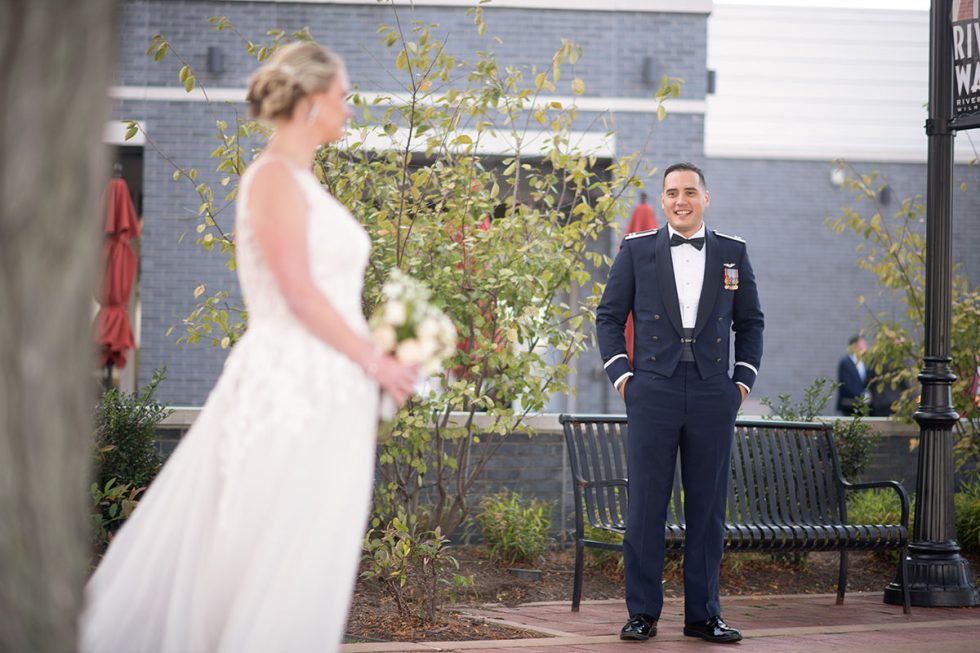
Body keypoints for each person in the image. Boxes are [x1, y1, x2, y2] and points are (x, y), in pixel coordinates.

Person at [80, 42, 418, 653]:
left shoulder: (305, 182)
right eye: (343, 97)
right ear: (311, 101)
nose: (349, 109)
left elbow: (330, 297)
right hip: (285, 387)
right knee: (267, 543)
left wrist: (380, 357)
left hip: (328, 389)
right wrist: (376, 361)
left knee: (306, 548)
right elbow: (297, 293)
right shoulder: (271, 178)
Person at [596, 162, 763, 644]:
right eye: (672, 193)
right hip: (652, 390)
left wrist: (740, 384)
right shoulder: (636, 249)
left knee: (708, 509)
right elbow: (609, 317)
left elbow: (751, 322)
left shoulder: (732, 251)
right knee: (646, 505)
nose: (680, 200)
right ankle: (642, 613)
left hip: (713, 392)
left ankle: (703, 615)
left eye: (690, 192)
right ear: (663, 199)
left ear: (706, 198)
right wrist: (624, 379)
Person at [837, 335, 870, 415]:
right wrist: (862, 396)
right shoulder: (845, 363)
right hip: (849, 405)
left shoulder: (864, 362)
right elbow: (846, 385)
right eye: (863, 343)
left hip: (862, 405)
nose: (866, 346)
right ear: (855, 345)